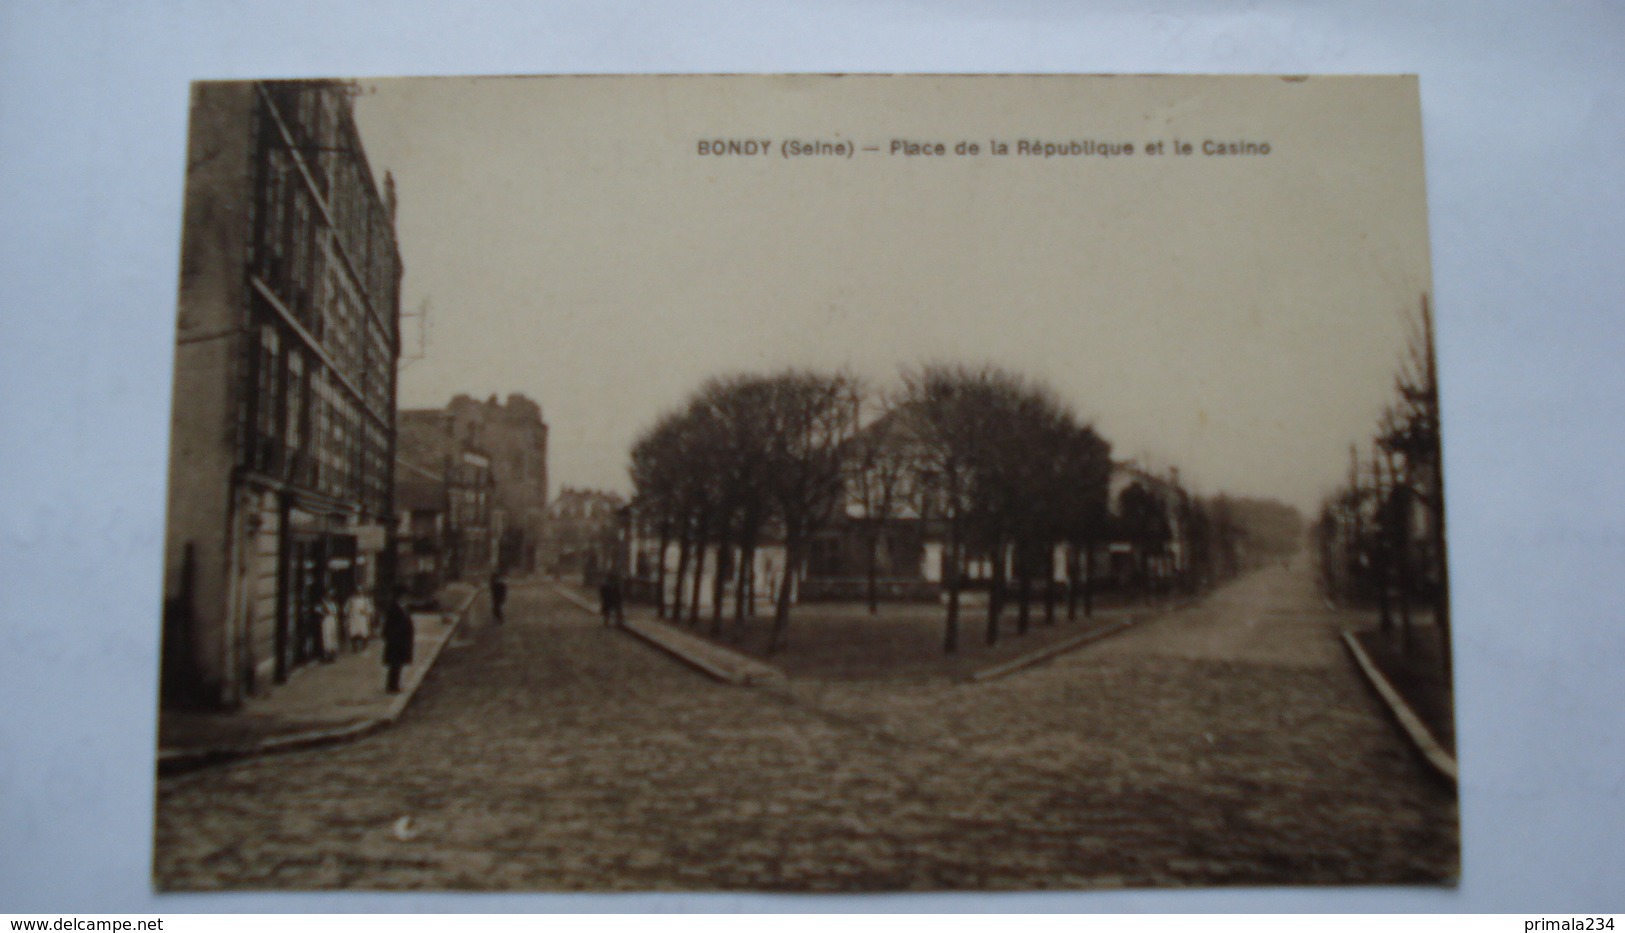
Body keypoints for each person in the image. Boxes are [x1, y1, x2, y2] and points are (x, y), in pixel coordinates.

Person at [382, 587, 415, 693]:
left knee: (399, 664)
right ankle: (392, 686)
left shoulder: (404, 608)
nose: (407, 599)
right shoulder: (394, 609)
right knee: (395, 665)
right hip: (396, 642)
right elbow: (389, 626)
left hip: (402, 641)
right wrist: (393, 638)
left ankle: (396, 684)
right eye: (405, 597)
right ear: (400, 598)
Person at [343, 587, 374, 651]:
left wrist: (366, 612)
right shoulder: (351, 600)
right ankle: (355, 647)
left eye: (360, 591)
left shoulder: (366, 600)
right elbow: (346, 608)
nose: (359, 592)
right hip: (353, 618)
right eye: (357, 591)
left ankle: (364, 646)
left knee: (364, 633)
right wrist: (348, 613)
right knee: (353, 633)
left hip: (362, 618)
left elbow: (370, 609)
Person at [318, 590, 341, 662]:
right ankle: (327, 655)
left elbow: (335, 612)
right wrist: (323, 611)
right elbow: (319, 611)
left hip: (332, 620)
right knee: (327, 637)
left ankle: (332, 654)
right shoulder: (322, 604)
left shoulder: (333, 604)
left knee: (332, 636)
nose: (329, 597)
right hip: (326, 620)